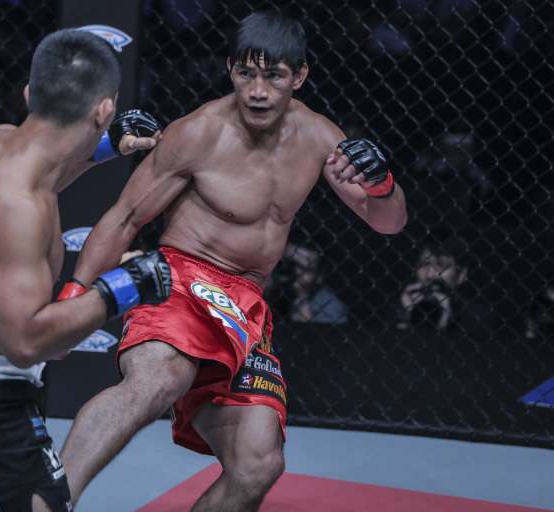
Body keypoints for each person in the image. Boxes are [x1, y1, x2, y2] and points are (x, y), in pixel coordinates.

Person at [59, 11, 407, 511]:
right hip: (181, 280)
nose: (257, 92)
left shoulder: (320, 139)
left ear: (299, 76)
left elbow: (389, 222)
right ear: (230, 70)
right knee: (158, 378)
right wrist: (74, 301)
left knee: (257, 464)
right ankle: (47, 501)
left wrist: (383, 184)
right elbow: (124, 219)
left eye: (273, 76)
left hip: (244, 307)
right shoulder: (197, 133)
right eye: (246, 74)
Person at [0, 29, 171, 512]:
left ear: (30, 93)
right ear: (103, 108)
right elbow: (25, 342)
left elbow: (50, 168)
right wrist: (125, 287)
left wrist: (109, 145)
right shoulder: (18, 209)